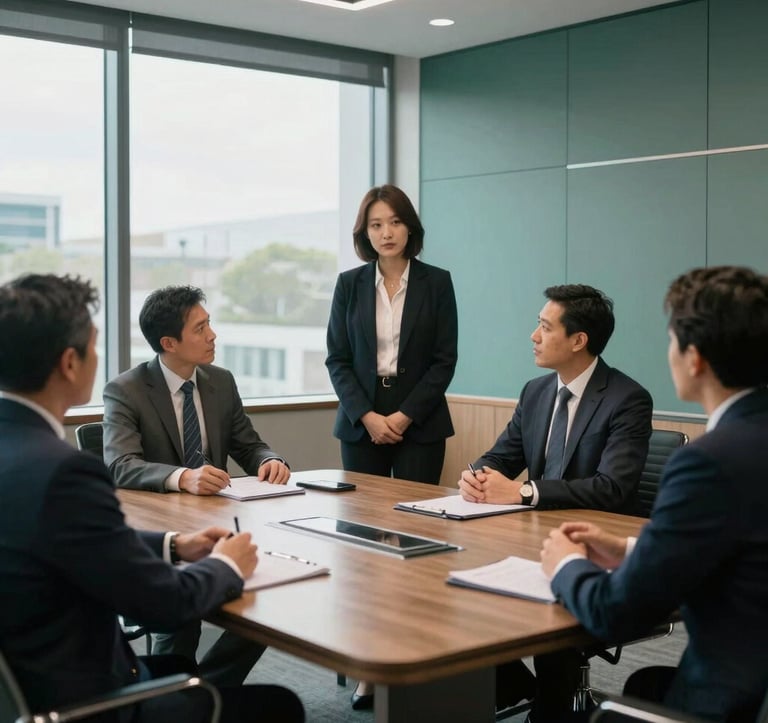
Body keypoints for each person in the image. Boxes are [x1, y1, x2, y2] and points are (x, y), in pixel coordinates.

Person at [0, 273, 304, 723]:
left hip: (37, 681)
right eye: (94, 346)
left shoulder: (18, 453)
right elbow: (162, 604)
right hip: (92, 702)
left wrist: (173, 546)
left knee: (189, 664)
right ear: (69, 363)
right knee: (281, 706)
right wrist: (226, 565)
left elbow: (71, 543)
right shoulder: (66, 470)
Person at [541, 266, 768, 723]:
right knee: (642, 686)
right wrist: (631, 547)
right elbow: (744, 545)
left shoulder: (709, 461)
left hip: (724, 701)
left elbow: (614, 613)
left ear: (695, 358)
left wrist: (565, 563)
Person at [458, 284, 653, 720]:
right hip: (531, 535)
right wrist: (476, 475)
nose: (533, 335)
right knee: (460, 586)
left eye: (545, 327)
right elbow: (501, 456)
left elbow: (612, 488)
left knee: (548, 604)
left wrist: (526, 491)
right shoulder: (536, 391)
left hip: (593, 546)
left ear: (578, 340)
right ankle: (516, 686)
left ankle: (552, 705)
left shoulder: (627, 399)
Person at [103, 285, 290, 686]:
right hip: (164, 529)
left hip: (218, 521)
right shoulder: (126, 390)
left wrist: (269, 459)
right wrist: (183, 477)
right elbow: (120, 464)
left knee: (269, 600)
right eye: (201, 328)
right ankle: (174, 694)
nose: (213, 336)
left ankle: (209, 691)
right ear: (169, 342)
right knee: (179, 622)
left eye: (210, 324)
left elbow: (247, 442)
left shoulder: (220, 381)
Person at [325, 184, 458, 709]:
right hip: (362, 423)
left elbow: (444, 360)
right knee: (364, 546)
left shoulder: (437, 283)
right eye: (376, 224)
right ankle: (367, 665)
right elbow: (337, 358)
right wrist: (368, 416)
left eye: (395, 222)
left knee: (416, 542)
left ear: (410, 228)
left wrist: (402, 415)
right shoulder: (349, 285)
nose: (386, 232)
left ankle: (416, 655)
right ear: (365, 232)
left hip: (419, 422)